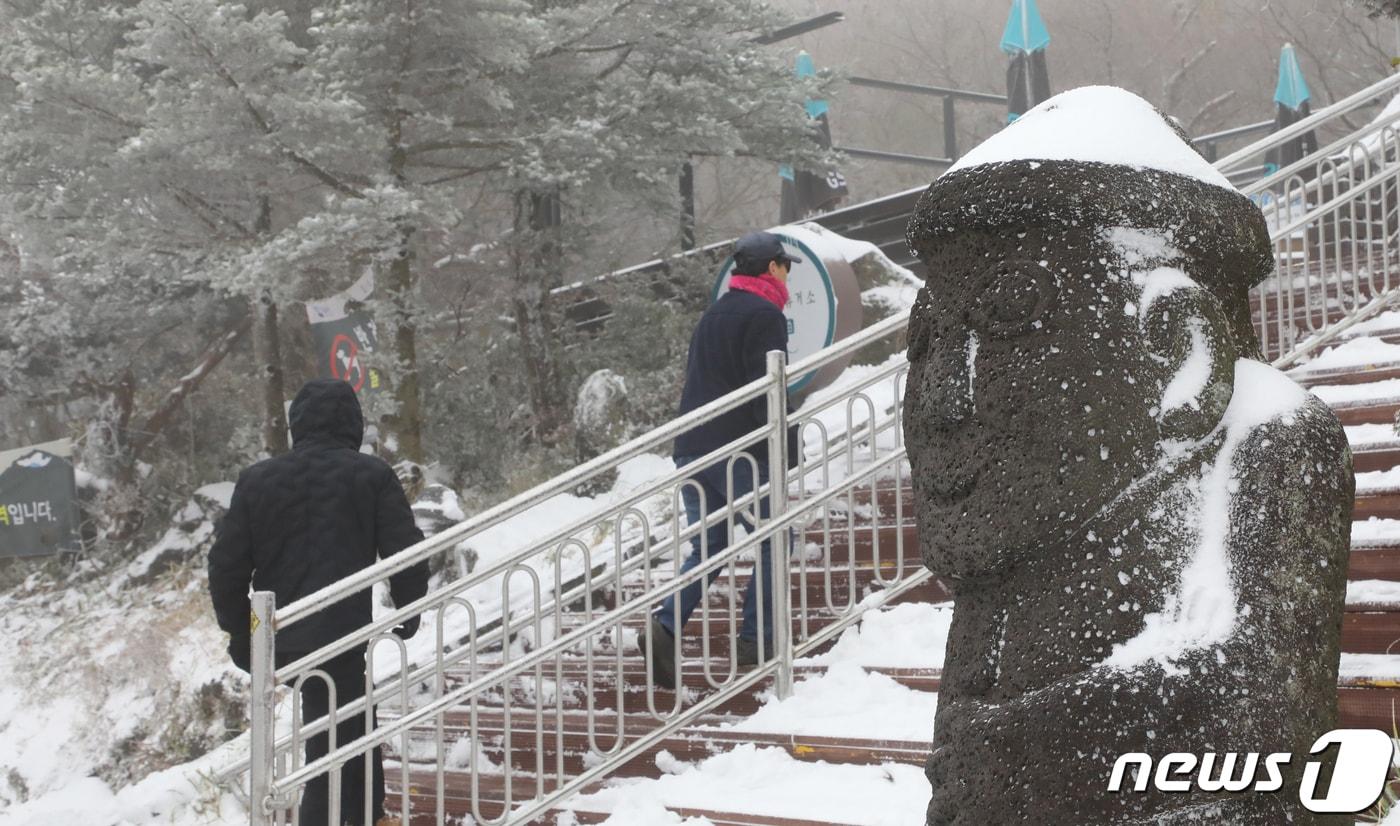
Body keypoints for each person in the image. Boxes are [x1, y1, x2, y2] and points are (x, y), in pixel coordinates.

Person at [208, 379, 429, 826]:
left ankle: (371, 813)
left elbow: (226, 566)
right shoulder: (371, 475)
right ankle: (345, 817)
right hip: (343, 630)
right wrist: (408, 607)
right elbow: (406, 551)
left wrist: (240, 633)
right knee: (333, 744)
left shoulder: (257, 480)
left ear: (297, 425)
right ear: (353, 422)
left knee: (350, 723)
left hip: (284, 633)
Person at [640, 231, 799, 690]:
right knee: (773, 538)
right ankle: (756, 641)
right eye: (785, 265)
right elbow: (764, 390)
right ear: (772, 268)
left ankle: (666, 625)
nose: (786, 274)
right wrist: (782, 447)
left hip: (691, 448)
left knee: (710, 548)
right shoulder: (765, 314)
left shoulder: (713, 315)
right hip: (738, 452)